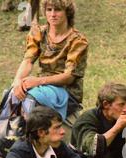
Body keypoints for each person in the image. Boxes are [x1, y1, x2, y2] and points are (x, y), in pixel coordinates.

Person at [11, 0, 87, 143]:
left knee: (31, 98)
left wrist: (37, 81)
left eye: (57, 10)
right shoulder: (39, 32)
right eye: (49, 9)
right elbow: (28, 60)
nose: (52, 14)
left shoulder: (78, 41)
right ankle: (6, 136)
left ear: (67, 12)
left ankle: (30, 142)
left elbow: (69, 77)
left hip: (67, 92)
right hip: (42, 87)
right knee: (12, 94)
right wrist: (17, 82)